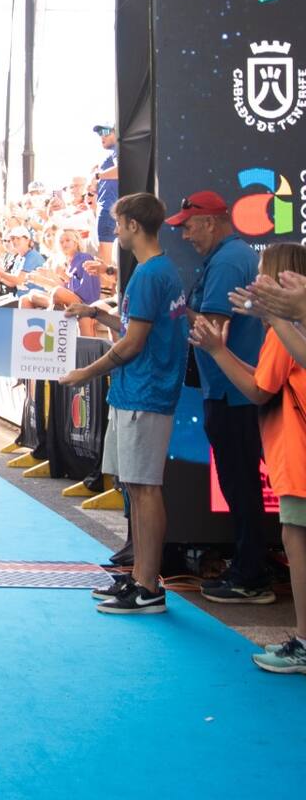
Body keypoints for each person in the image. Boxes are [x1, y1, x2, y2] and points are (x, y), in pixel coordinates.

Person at [60, 192, 188, 615]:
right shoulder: (155, 273)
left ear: (133, 225)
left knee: (145, 489)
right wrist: (96, 312)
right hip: (138, 392)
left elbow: (133, 344)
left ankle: (148, 585)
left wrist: (85, 373)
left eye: (119, 223)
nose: (115, 231)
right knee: (137, 487)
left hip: (146, 393)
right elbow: (135, 327)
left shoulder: (152, 274)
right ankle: (140, 578)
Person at [191, 242, 306, 673]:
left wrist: (218, 351)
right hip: (292, 458)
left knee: (298, 546)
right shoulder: (284, 329)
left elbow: (259, 389)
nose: (254, 280)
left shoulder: (283, 332)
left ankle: (303, 642)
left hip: (297, 460)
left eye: (262, 272)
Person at [168, 190, 271, 603]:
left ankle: (252, 575)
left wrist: (172, 310)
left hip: (234, 392)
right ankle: (250, 569)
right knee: (240, 483)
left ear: (210, 222)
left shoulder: (229, 260)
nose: (186, 235)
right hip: (231, 389)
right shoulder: (230, 257)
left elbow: (213, 331)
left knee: (241, 483)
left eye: (189, 226)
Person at [91, 123, 119, 265]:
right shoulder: (110, 152)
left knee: (105, 262)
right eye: (100, 133)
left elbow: (121, 170)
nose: (102, 135)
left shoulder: (117, 148)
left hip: (109, 209)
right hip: (107, 208)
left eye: (107, 131)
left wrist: (98, 176)